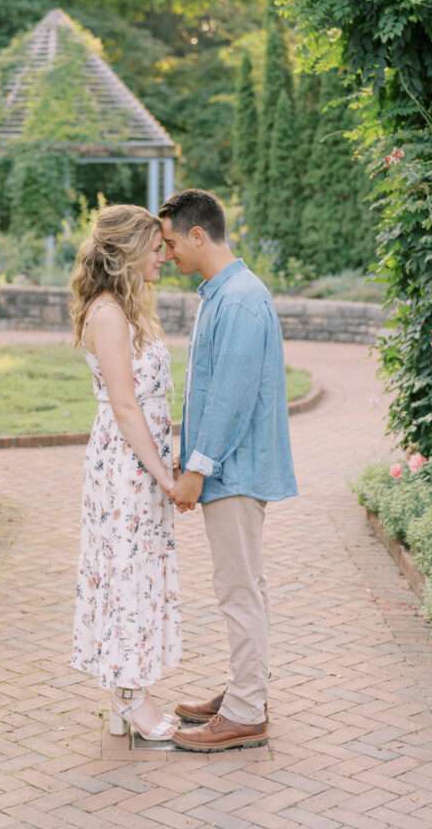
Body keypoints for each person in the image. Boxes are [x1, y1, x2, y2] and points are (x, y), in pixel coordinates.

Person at [159, 188, 299, 752]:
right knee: (244, 587)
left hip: (231, 471)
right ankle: (246, 690)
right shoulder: (222, 294)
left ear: (198, 234)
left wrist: (197, 468)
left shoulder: (239, 299)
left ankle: (245, 711)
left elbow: (232, 398)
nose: (166, 254)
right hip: (226, 468)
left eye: (170, 242)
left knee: (238, 590)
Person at [69, 203, 182, 741]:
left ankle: (126, 697)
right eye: (156, 247)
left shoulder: (129, 309)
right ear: (128, 252)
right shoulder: (109, 314)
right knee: (126, 577)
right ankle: (133, 697)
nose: (164, 254)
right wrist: (163, 474)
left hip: (143, 458)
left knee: (136, 572)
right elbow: (125, 405)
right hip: (126, 466)